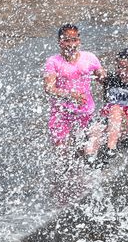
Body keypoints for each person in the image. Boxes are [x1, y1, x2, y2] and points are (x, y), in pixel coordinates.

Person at [43, 24, 105, 153]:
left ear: (79, 41)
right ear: (60, 42)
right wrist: (70, 95)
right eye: (66, 40)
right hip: (61, 114)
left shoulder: (90, 58)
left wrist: (102, 76)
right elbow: (49, 88)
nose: (71, 44)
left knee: (83, 151)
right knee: (62, 152)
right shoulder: (53, 61)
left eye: (74, 40)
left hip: (85, 113)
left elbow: (102, 76)